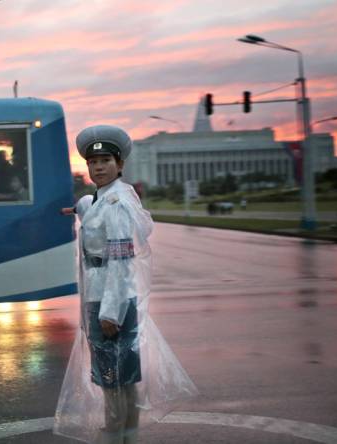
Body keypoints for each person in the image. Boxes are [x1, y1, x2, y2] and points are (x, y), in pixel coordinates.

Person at [54, 125, 198, 444]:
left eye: (106, 160)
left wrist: (110, 313)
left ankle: (115, 436)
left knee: (113, 383)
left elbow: (120, 262)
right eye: (93, 162)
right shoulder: (108, 199)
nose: (98, 167)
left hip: (109, 303)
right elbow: (95, 210)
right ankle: (126, 436)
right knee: (122, 379)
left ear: (120, 164)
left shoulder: (116, 204)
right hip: (109, 300)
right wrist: (80, 208)